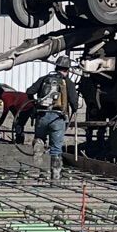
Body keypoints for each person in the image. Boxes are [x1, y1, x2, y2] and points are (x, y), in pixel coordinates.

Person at [30, 56, 79, 184]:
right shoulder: (67, 82)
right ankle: (55, 177)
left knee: (39, 141)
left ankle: (38, 171)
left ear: (56, 67)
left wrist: (35, 103)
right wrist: (74, 110)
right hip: (57, 118)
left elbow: (29, 91)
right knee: (56, 148)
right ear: (67, 70)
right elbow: (74, 102)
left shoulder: (44, 79)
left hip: (42, 116)